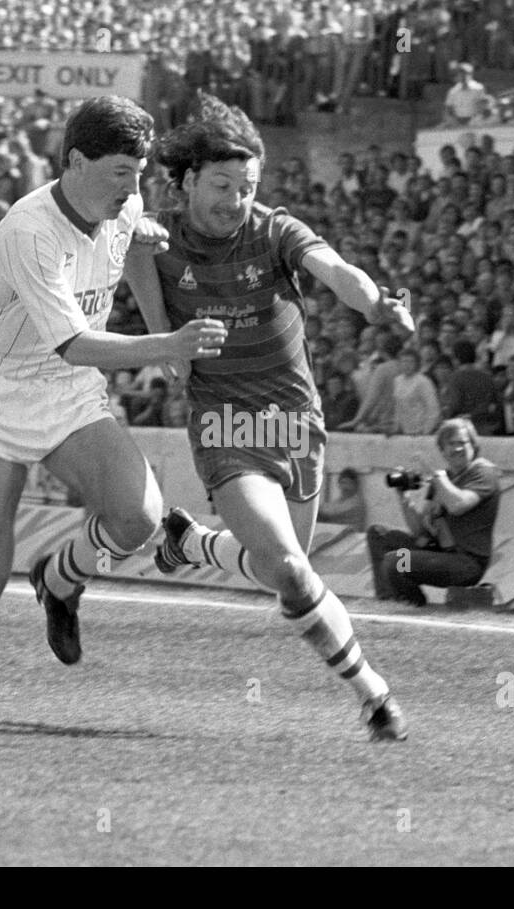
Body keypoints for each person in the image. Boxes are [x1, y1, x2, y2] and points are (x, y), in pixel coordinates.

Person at [0, 96, 227, 730]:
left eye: (139, 171)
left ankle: (59, 576)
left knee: (139, 518)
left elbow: (130, 246)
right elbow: (72, 341)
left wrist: (160, 324)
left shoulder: (122, 202)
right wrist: (167, 345)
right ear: (74, 162)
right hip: (3, 399)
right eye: (119, 172)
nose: (133, 186)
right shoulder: (26, 229)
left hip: (72, 393)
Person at [136, 94, 413, 741]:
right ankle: (373, 696)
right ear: (185, 181)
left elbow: (337, 270)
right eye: (222, 185)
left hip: (294, 422)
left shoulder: (274, 231)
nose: (236, 200)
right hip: (224, 422)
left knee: (283, 572)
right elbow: (138, 289)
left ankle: (191, 543)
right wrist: (162, 340)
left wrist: (376, 304)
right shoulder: (153, 239)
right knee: (289, 567)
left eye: (247, 187)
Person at [366, 419, 500, 607]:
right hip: (439, 551)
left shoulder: (484, 473)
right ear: (442, 450)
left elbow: (458, 504)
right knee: (378, 535)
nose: (457, 449)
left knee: (395, 562)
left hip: (467, 563)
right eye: (451, 444)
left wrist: (433, 474)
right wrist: (403, 495)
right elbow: (420, 531)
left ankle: (412, 605)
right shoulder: (444, 478)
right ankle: (389, 603)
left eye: (462, 443)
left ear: (473, 445)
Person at [317, 467, 367, 531]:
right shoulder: (339, 501)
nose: (345, 487)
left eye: (349, 483)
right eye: (343, 483)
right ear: (339, 484)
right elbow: (324, 509)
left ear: (356, 485)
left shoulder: (356, 503)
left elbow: (329, 512)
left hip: (352, 538)